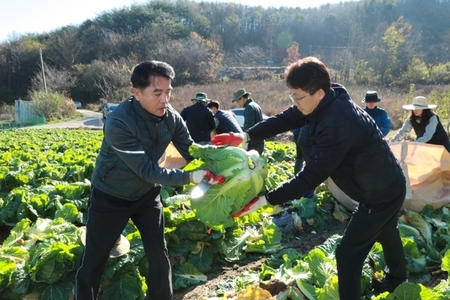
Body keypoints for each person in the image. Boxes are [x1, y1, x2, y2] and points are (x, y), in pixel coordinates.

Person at [211, 56, 407, 299]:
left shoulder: (337, 122)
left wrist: (267, 199)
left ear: (319, 93)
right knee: (387, 231)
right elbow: (285, 118)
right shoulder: (326, 101)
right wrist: (246, 137)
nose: (295, 102)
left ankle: (387, 282)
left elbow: (310, 177)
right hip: (383, 184)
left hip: (380, 194)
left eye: (298, 97)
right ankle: (398, 278)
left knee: (347, 254)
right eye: (291, 96)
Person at [75, 61, 224, 300]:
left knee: (158, 254)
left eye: (168, 92)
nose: (165, 99)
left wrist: (219, 160)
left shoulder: (171, 116)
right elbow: (146, 169)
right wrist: (190, 177)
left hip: (146, 196)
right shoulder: (119, 122)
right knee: (94, 260)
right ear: (136, 92)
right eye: (157, 93)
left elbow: (191, 150)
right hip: (111, 195)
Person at [232, 88, 265, 154]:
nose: (237, 103)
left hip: (253, 142)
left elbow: (249, 126)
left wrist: (245, 140)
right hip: (260, 141)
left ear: (241, 98)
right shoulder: (255, 105)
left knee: (251, 163)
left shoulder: (249, 107)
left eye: (237, 101)